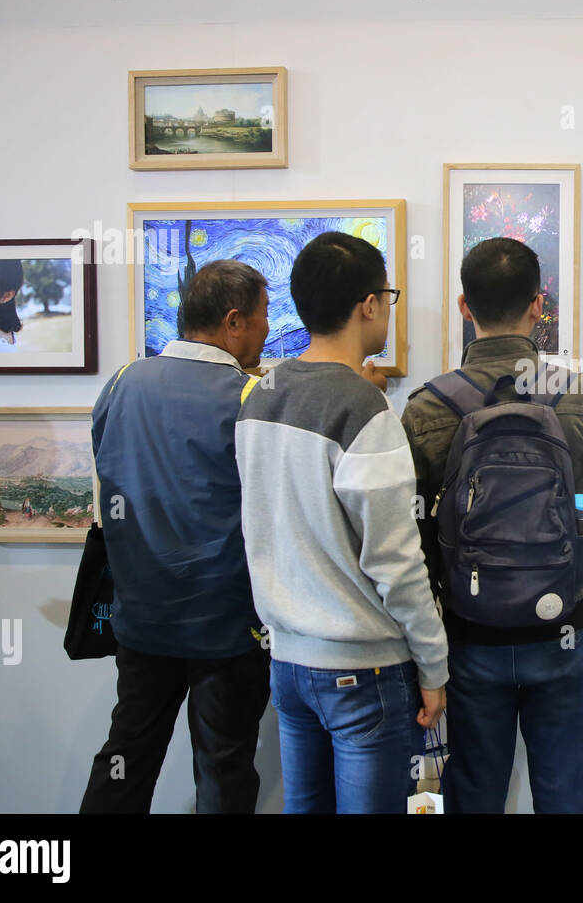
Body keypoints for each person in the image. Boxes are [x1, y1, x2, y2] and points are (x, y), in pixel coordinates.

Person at [236, 232, 447, 814]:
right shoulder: (362, 409)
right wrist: (434, 664)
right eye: (388, 296)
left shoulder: (260, 395)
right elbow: (396, 559)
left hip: (288, 660)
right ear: (367, 305)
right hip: (363, 668)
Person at [401, 236, 583, 813]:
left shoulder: (427, 406)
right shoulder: (582, 393)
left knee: (474, 791)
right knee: (564, 789)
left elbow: (416, 530)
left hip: (470, 632)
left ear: (464, 306)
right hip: (563, 622)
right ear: (538, 305)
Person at [81, 260, 273, 814]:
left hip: (140, 620)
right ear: (233, 321)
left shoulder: (120, 382)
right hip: (225, 629)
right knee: (223, 768)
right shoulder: (248, 399)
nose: (268, 329)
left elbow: (109, 470)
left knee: (126, 758)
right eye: (263, 317)